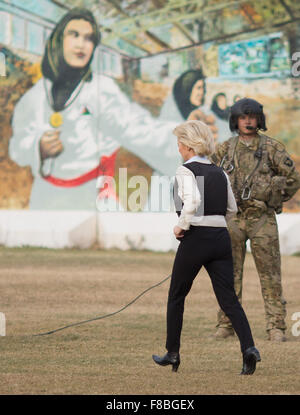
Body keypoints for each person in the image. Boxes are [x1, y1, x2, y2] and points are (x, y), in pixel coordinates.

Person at [9, 8, 181, 210]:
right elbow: (17, 147)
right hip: (45, 197)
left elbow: (136, 128)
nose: (82, 44)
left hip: (90, 196)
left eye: (89, 38)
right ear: (58, 41)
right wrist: (38, 147)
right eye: (74, 35)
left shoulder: (101, 90)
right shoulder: (35, 96)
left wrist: (187, 137)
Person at [152, 120, 261, 375]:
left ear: (189, 146)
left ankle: (173, 352)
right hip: (221, 237)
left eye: (180, 143)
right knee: (229, 299)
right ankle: (249, 349)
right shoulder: (219, 172)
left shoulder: (185, 170)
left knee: (177, 296)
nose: (178, 147)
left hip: (196, 237)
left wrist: (181, 226)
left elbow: (191, 202)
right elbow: (232, 208)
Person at [211, 98, 300, 342]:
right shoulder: (224, 150)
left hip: (262, 218)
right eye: (243, 117)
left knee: (270, 275)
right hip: (233, 219)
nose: (248, 121)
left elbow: (293, 178)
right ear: (235, 120)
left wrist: (275, 200)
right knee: (228, 274)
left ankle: (276, 327)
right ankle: (226, 324)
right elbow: (210, 177)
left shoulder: (272, 148)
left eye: (252, 116)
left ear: (259, 119)